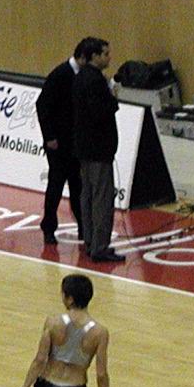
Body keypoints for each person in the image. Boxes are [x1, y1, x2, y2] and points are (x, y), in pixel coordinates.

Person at [71, 37, 123, 263]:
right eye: (105, 54)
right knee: (101, 197)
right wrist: (113, 99)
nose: (109, 58)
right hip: (98, 149)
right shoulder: (95, 81)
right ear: (95, 56)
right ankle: (100, 246)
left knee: (88, 195)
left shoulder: (80, 77)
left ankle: (90, 240)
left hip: (84, 147)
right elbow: (100, 112)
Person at [34, 50, 84, 247]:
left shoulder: (81, 74)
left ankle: (83, 226)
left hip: (74, 142)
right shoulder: (60, 74)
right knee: (55, 186)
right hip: (58, 143)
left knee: (77, 186)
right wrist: (49, 137)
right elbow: (42, 105)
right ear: (83, 57)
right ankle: (48, 227)